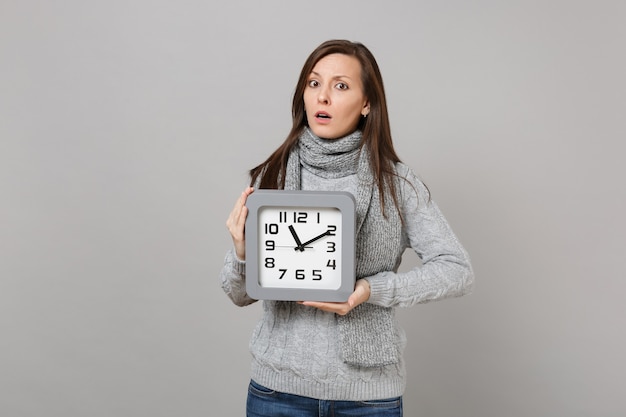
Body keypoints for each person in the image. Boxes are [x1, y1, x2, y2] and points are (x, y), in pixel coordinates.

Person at [220, 39, 474, 417]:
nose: (323, 97)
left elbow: (457, 270)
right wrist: (243, 254)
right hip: (277, 394)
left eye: (341, 86)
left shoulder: (397, 185)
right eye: (313, 83)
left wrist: (372, 290)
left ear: (367, 103)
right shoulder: (271, 177)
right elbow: (238, 294)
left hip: (368, 399)